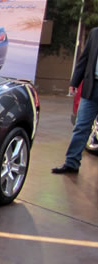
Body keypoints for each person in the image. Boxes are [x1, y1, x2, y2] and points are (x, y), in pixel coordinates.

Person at [52, 26, 98, 174]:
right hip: (92, 87)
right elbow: (84, 59)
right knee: (81, 127)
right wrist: (74, 82)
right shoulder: (95, 33)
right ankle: (71, 163)